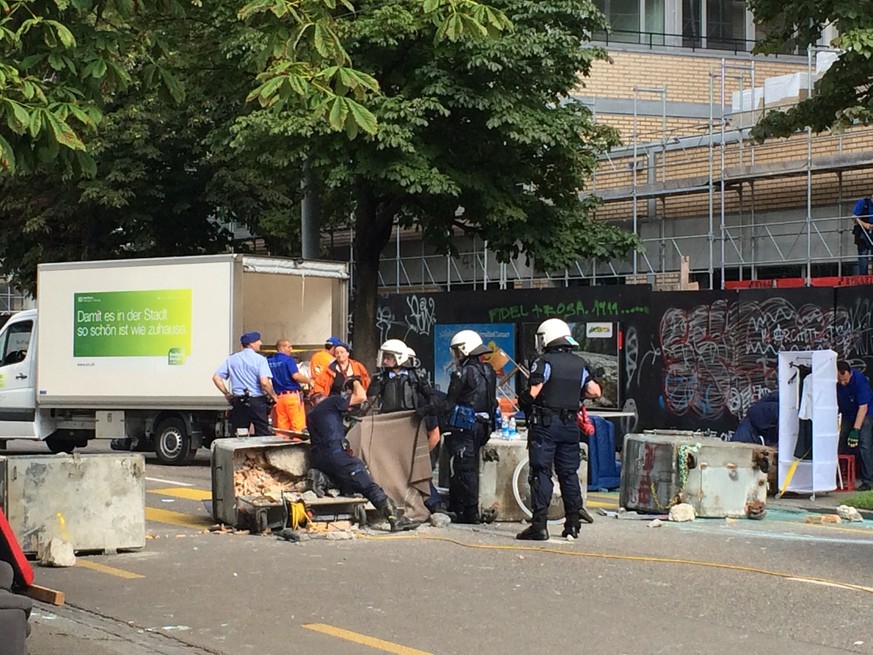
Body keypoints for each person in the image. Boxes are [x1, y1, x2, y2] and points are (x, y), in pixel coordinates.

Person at [517, 318, 601, 541]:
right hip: (570, 425)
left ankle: (539, 525)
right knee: (568, 473)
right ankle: (572, 523)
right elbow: (595, 391)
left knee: (541, 472)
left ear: (546, 337)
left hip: (545, 425)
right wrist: (575, 395)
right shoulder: (580, 363)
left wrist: (523, 401)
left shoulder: (543, 361)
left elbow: (534, 391)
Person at [306, 378, 415, 531]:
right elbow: (361, 397)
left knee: (347, 482)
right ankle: (394, 518)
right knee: (365, 481)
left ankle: (323, 478)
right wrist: (354, 382)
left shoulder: (311, 415)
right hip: (336, 454)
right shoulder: (332, 401)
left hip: (318, 459)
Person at [367, 339, 447, 514]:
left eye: (389, 357)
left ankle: (434, 504)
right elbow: (369, 403)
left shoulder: (415, 379)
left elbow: (433, 403)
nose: (385, 361)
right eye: (385, 357)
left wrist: (424, 411)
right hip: (388, 425)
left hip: (410, 425)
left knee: (416, 469)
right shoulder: (380, 378)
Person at [440, 329, 498, 524]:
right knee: (467, 467)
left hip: (464, 426)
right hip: (484, 427)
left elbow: (449, 402)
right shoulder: (489, 370)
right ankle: (458, 506)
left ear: (464, 350)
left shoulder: (462, 372)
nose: (455, 356)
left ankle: (470, 512)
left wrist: (431, 408)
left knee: (464, 469)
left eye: (457, 351)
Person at [212, 331, 278, 436]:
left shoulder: (231, 359)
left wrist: (227, 394)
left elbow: (216, 378)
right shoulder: (260, 360)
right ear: (251, 344)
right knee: (263, 433)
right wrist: (274, 396)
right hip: (257, 401)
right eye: (258, 341)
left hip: (239, 402)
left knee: (239, 434)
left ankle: (240, 452)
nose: (260, 343)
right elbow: (264, 383)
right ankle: (259, 452)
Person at [837, 360, 873, 491]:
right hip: (847, 414)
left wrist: (855, 430)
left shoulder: (859, 381)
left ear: (850, 373)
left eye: (845, 380)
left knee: (864, 444)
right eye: (840, 380)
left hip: (865, 412)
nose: (843, 383)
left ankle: (868, 480)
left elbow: (863, 408)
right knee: (839, 441)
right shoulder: (834, 381)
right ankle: (837, 476)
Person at [268, 339, 313, 436]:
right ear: (282, 347)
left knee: (282, 428)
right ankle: (297, 448)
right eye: (289, 347)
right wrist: (309, 381)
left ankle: (281, 449)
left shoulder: (269, 361)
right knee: (298, 427)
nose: (291, 349)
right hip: (292, 396)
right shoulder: (288, 360)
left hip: (278, 398)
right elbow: (296, 376)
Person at [852, 194, 873, 275]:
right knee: (863, 255)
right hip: (862, 231)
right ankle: (863, 277)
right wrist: (866, 225)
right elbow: (854, 217)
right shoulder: (863, 202)